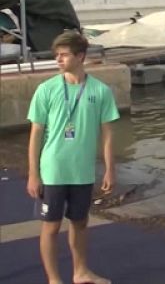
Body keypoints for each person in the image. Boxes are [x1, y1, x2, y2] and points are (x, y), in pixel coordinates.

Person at [26, 31, 119, 284]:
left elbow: (107, 134)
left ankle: (80, 272)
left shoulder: (100, 90)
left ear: (80, 56)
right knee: (51, 225)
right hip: (53, 169)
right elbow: (36, 134)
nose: (58, 59)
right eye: (56, 55)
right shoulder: (46, 89)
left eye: (64, 55)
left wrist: (110, 169)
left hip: (83, 171)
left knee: (80, 222)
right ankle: (54, 279)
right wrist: (33, 173)